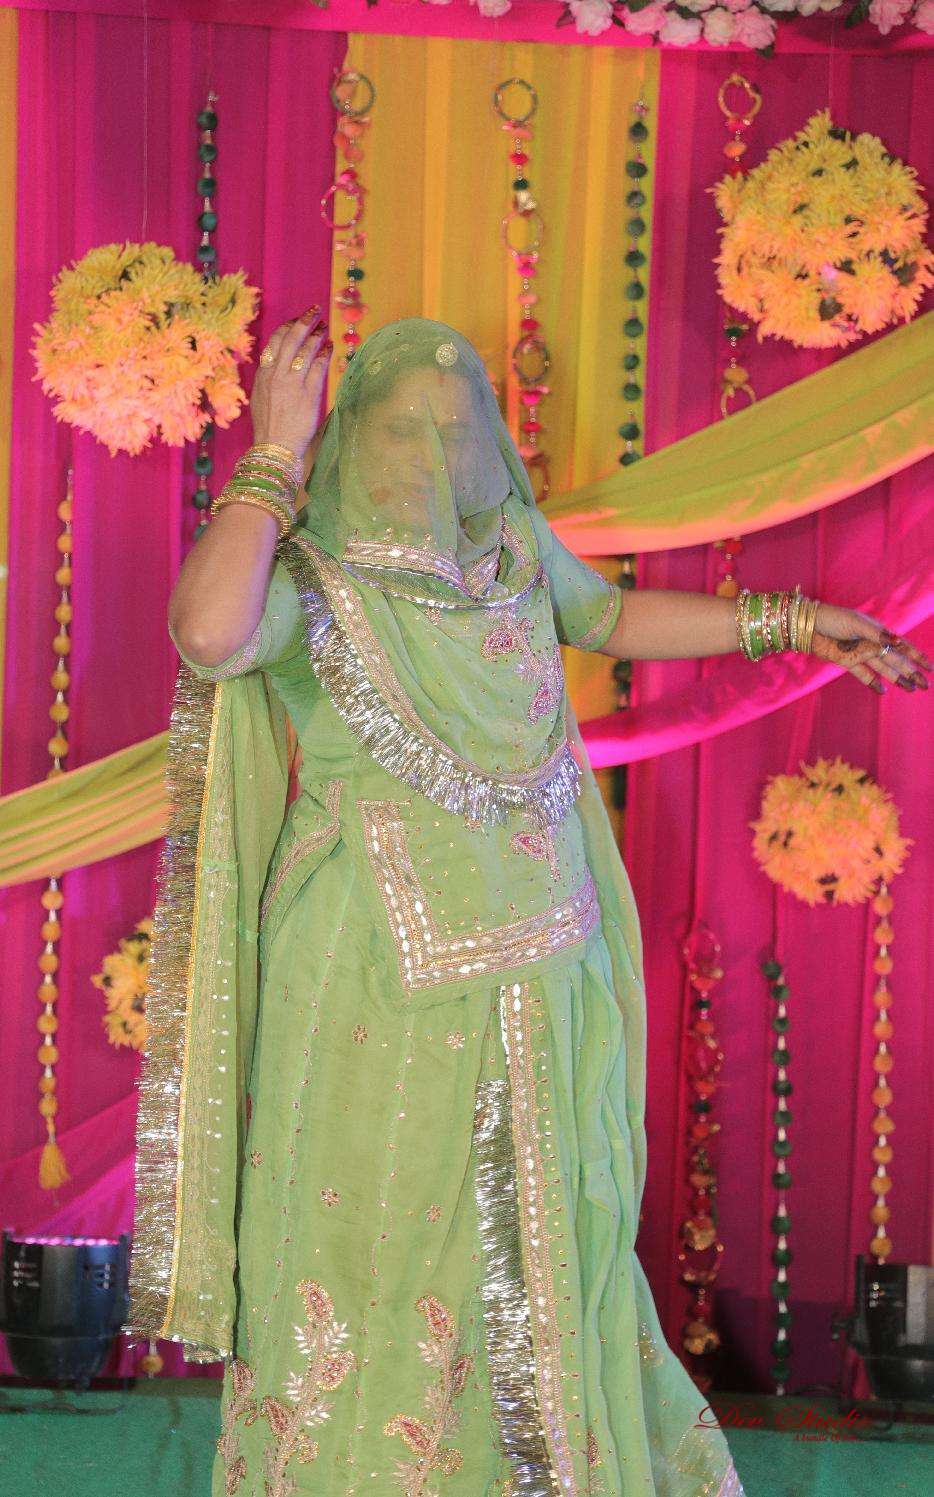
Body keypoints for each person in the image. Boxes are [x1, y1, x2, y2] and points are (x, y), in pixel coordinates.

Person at [123, 309, 930, 1497]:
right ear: (349, 442)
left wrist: (795, 623)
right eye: (403, 430)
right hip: (368, 977)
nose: (435, 457)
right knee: (377, 1239)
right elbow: (206, 632)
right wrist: (271, 459)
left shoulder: (505, 554)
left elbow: (608, 618)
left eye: (459, 430)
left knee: (549, 1240)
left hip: (542, 968)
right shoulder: (309, 575)